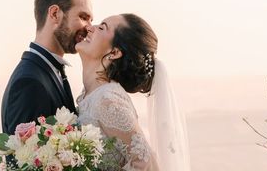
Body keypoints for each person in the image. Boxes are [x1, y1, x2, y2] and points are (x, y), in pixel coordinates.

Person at [76, 13, 190, 171]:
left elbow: (147, 164)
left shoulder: (107, 100)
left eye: (101, 27)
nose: (89, 28)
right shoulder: (89, 94)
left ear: (114, 53)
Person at [1, 0, 94, 135]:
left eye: (91, 20)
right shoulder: (29, 82)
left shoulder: (49, 71)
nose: (89, 28)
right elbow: (26, 158)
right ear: (55, 14)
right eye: (83, 17)